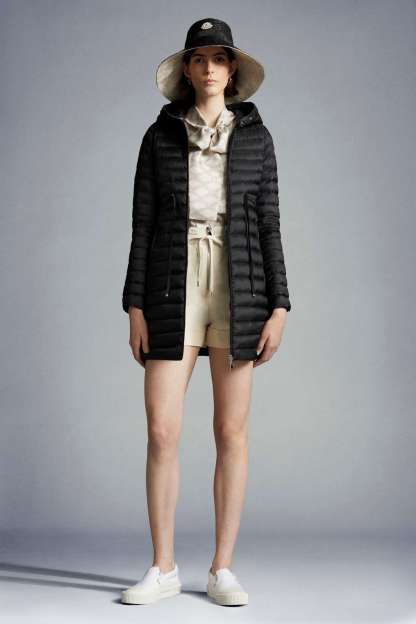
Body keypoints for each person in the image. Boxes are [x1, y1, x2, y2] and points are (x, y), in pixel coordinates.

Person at [121, 17, 292, 607]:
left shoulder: (258, 139)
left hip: (239, 281)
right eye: (200, 59)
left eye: (220, 59)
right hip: (171, 281)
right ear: (187, 70)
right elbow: (142, 224)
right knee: (161, 429)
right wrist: (134, 304)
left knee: (230, 431)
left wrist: (280, 304)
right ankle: (163, 567)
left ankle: (222, 568)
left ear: (232, 70)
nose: (210, 68)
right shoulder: (158, 136)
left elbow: (270, 224)